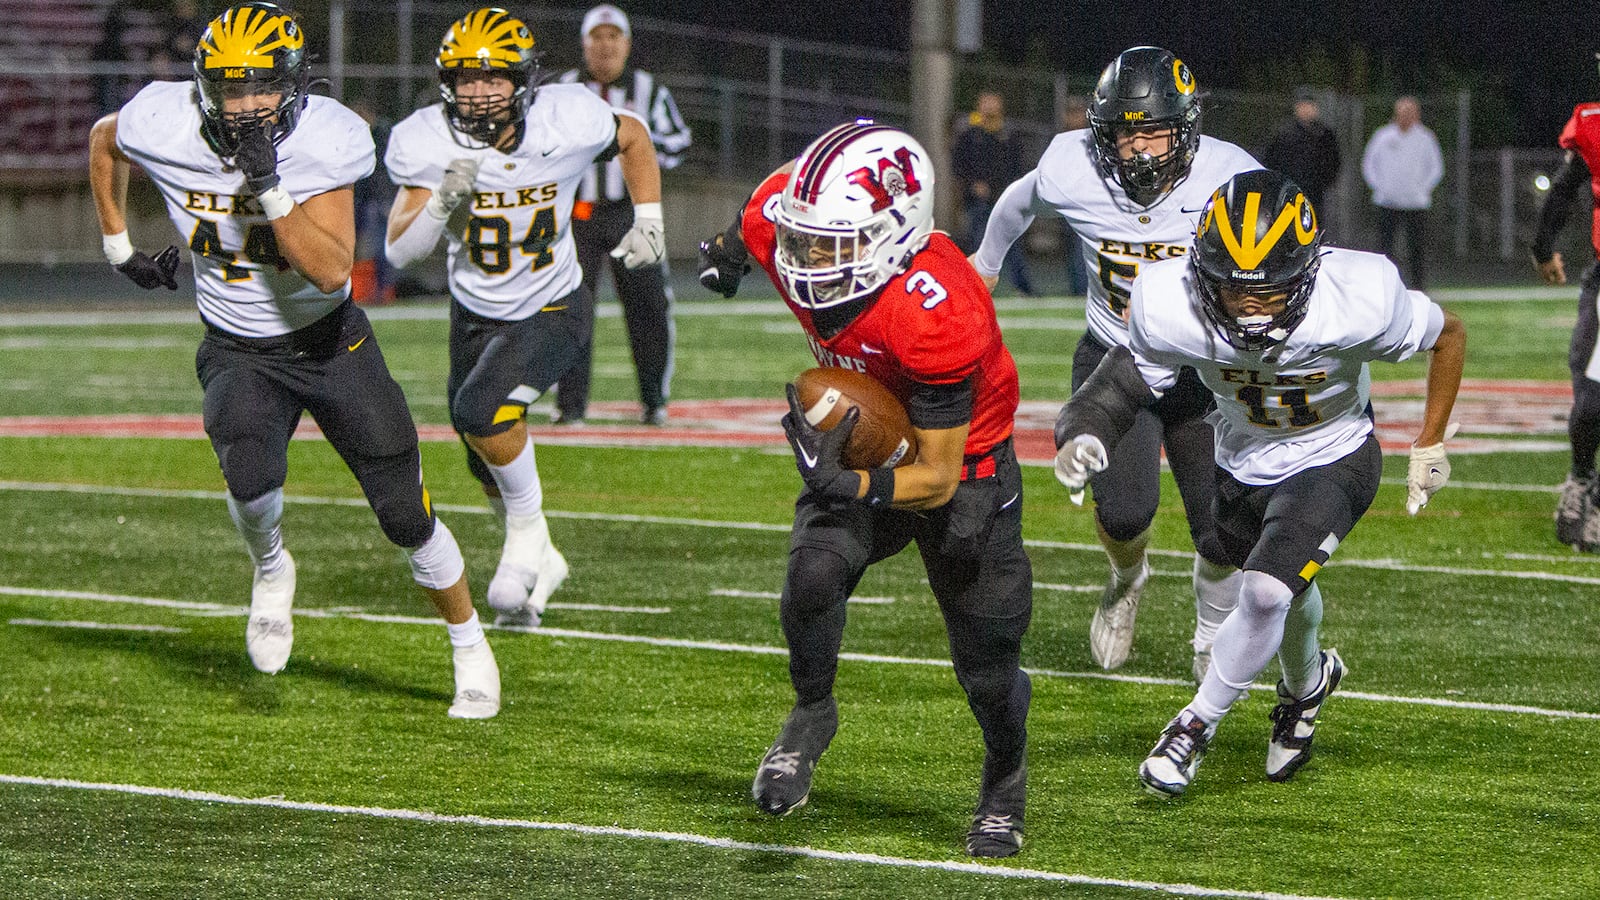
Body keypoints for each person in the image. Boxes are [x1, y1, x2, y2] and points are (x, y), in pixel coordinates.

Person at [87, 1, 501, 718]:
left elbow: (332, 269)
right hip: (236, 347)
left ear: (294, 85)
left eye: (263, 87)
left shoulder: (326, 139)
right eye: (232, 87)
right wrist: (118, 246)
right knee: (249, 480)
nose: (247, 105)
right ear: (202, 86)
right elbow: (103, 141)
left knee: (405, 512)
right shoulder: (164, 118)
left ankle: (468, 642)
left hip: (328, 341)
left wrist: (269, 186)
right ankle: (272, 567)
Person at [1054, 169, 1466, 797]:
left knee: (1268, 593)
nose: (1250, 306)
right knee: (1273, 584)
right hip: (1241, 458)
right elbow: (1120, 385)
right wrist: (1083, 433)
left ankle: (1192, 729)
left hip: (1334, 452)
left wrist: (1429, 441)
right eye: (1232, 289)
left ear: (1306, 272)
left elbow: (1450, 335)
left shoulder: (1359, 294)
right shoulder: (1173, 304)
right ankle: (1306, 687)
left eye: (1268, 291)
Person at [699, 122, 1033, 858]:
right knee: (812, 574)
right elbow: (758, 218)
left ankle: (1004, 778)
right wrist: (727, 252)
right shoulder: (783, 228)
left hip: (962, 465)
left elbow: (938, 476)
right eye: (801, 237)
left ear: (898, 234)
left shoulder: (941, 310)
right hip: (871, 440)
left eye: (830, 243)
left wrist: (844, 479)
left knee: (987, 666)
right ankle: (812, 711)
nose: (805, 259)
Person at [970, 46, 1261, 680]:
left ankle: (1212, 625)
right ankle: (1127, 575)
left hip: (1205, 368)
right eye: (1128, 135)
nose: (1141, 152)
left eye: (1156, 133)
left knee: (1224, 527)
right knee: (1124, 513)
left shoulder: (1232, 176)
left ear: (1186, 131)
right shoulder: (1072, 166)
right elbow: (1017, 203)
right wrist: (986, 265)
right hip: (1115, 359)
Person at [384, 8, 665, 627]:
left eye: (494, 79)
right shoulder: (426, 139)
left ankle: (528, 538)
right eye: (465, 80)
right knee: (475, 450)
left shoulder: (566, 117)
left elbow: (635, 136)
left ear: (523, 81)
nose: (478, 94)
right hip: (476, 308)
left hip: (554, 300)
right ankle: (549, 558)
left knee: (482, 411)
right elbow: (398, 251)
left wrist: (649, 218)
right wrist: (441, 205)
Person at [553, 4, 691, 426]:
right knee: (569, 308)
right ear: (585, 43)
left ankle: (654, 400)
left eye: (614, 36)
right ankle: (570, 407)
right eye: (598, 36)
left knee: (648, 306)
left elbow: (678, 141)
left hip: (631, 213)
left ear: (627, 44)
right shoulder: (563, 90)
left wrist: (640, 159)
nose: (606, 45)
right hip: (574, 216)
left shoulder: (648, 90)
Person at [1531, 82, 1600, 552]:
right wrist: (1542, 245)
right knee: (1593, 401)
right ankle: (1581, 479)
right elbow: (1565, 187)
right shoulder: (1594, 125)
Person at [951, 91, 1034, 295]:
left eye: (993, 102)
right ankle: (974, 289)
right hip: (977, 201)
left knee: (1013, 245)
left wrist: (1007, 189)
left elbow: (1018, 167)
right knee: (978, 244)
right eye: (985, 102)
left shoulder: (1008, 134)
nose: (989, 107)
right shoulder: (969, 134)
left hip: (1004, 199)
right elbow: (958, 165)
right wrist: (973, 185)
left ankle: (1023, 288)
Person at [1361, 95, 1443, 289]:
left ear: (1416, 114)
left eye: (1410, 112)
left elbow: (1436, 168)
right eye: (1402, 112)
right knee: (1384, 248)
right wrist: (1380, 187)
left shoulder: (1425, 138)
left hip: (1416, 203)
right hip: (1386, 202)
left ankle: (1418, 288)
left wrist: (1422, 189)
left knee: (1417, 249)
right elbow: (1369, 164)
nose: (1406, 116)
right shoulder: (1383, 136)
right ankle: (1384, 286)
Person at [1262, 88, 1341, 214]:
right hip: (1288, 191)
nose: (1306, 110)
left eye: (1309, 106)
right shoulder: (1284, 134)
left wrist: (1322, 183)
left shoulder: (1324, 135)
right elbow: (1271, 160)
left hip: (1315, 193)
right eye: (1302, 106)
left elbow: (1333, 162)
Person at [1058, 96, 1089, 296]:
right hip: (1068, 203)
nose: (1074, 117)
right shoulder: (1061, 141)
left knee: (1085, 250)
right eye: (1071, 113)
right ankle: (1078, 289)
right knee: (1072, 250)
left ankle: (1084, 290)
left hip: (1088, 204)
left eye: (1077, 113)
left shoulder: (1091, 139)